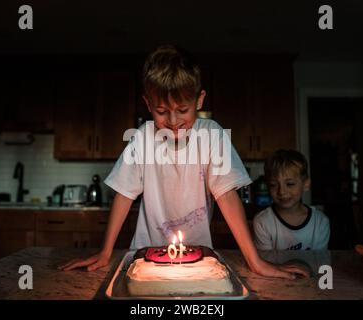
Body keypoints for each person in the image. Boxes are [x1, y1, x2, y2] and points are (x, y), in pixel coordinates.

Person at [59, 45, 308, 279]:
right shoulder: (143, 137)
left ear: (199, 101)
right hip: (144, 257)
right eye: (161, 111)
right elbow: (124, 194)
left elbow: (227, 197)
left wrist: (255, 261)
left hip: (198, 257)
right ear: (148, 104)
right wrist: (105, 253)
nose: (173, 120)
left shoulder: (212, 135)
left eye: (182, 110)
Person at [253, 149, 330, 251]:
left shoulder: (320, 222)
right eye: (273, 185)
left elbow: (319, 262)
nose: (282, 192)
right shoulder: (262, 222)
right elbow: (266, 264)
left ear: (306, 184)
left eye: (290, 184)